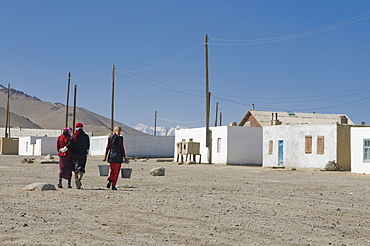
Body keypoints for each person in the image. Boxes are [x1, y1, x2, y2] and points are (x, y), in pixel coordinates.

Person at [59, 123, 90, 189]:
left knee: (75, 168)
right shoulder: (86, 136)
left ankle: (76, 177)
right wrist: (86, 153)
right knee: (81, 168)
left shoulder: (74, 136)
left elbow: (69, 145)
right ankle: (79, 179)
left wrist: (62, 150)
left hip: (75, 154)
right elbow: (88, 147)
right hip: (83, 154)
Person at [103, 126, 128, 190]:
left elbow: (108, 147)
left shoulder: (110, 137)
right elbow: (122, 148)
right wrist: (125, 157)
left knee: (112, 170)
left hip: (111, 156)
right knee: (116, 172)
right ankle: (113, 185)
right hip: (118, 156)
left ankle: (110, 178)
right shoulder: (120, 138)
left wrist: (105, 156)